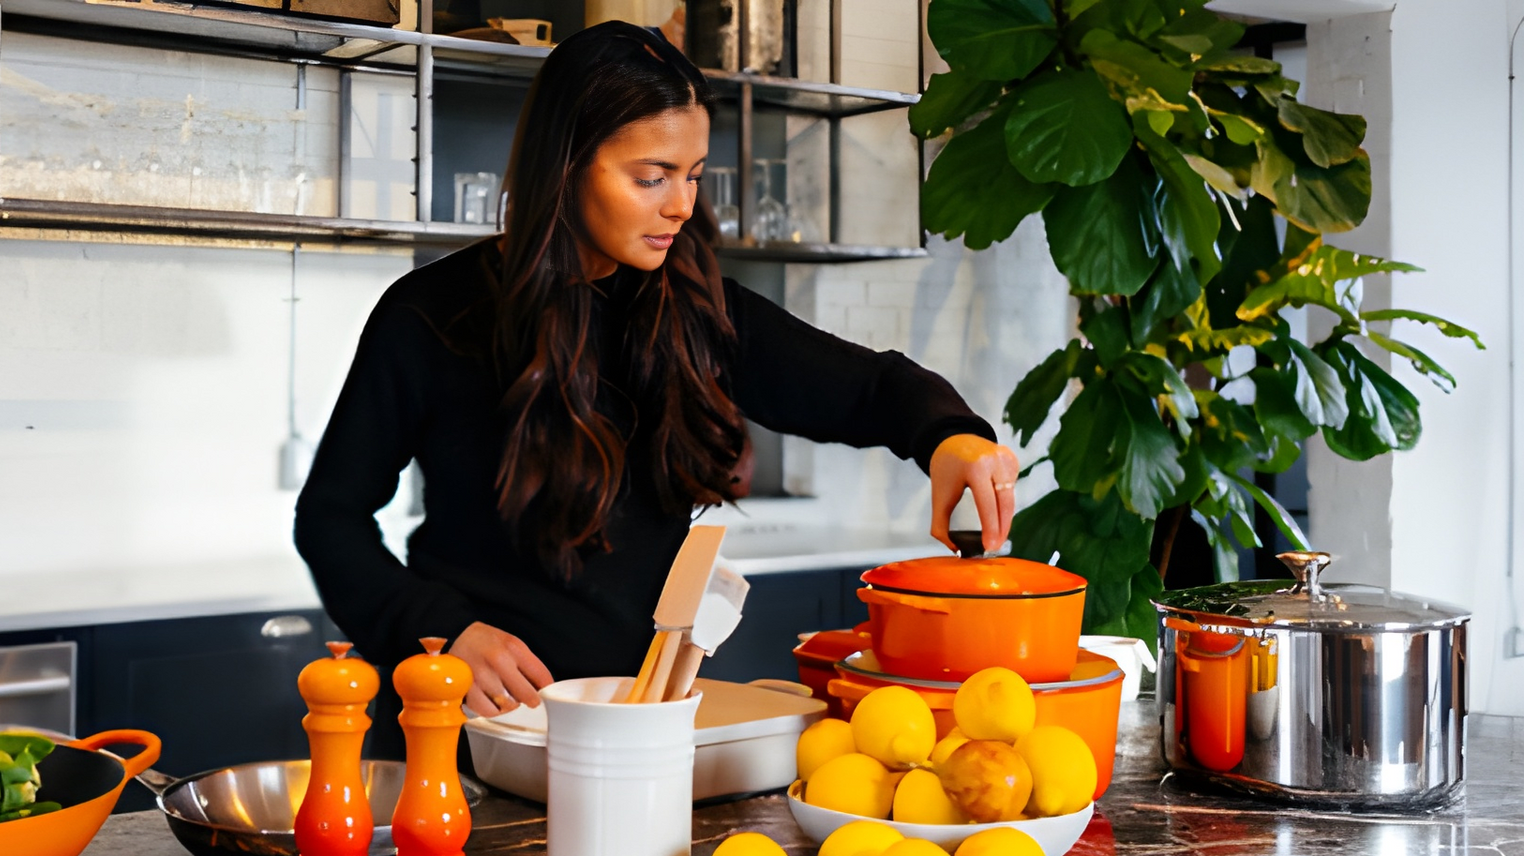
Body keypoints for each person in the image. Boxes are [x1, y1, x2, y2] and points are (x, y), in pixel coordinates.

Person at [295, 21, 1019, 720]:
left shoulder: (696, 311)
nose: (679, 205)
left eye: (693, 176)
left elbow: (872, 389)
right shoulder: (431, 315)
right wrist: (444, 631)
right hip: (467, 730)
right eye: (651, 177)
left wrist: (949, 435)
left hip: (635, 730)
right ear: (567, 163)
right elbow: (330, 519)